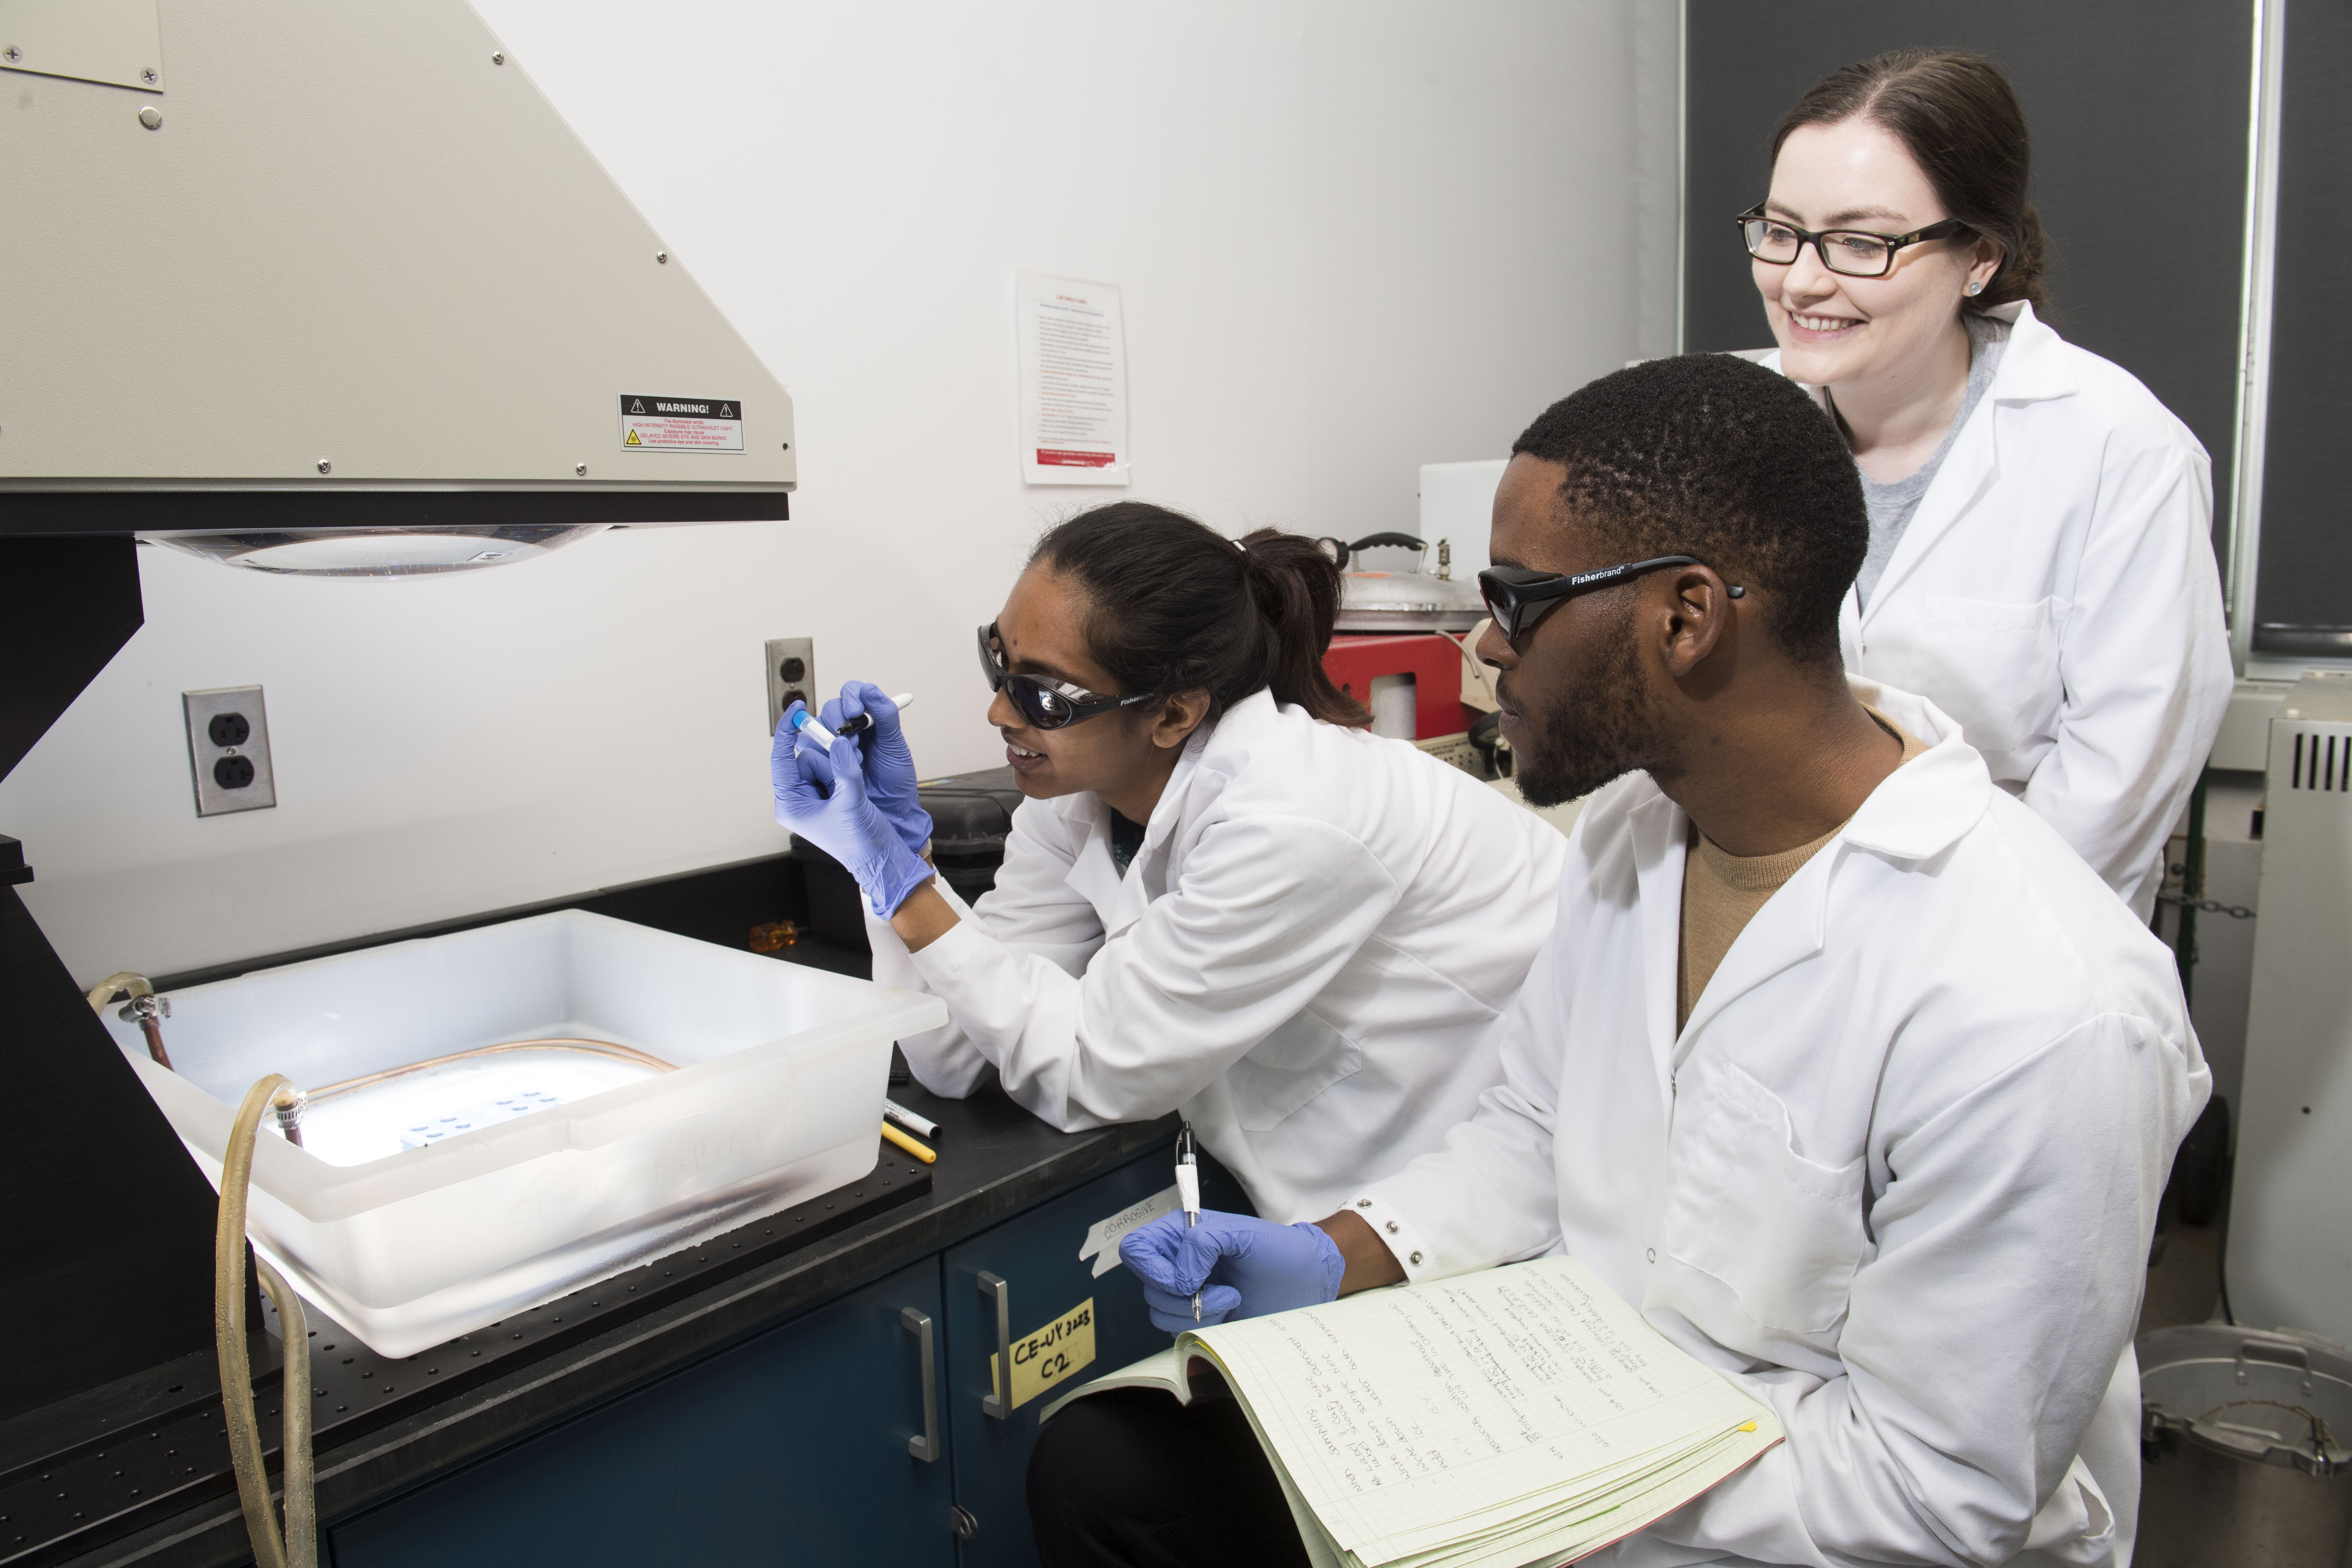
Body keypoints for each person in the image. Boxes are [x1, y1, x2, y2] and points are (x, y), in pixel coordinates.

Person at [1042, 356, 2208, 1567]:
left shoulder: (2042, 1010)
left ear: (1686, 618)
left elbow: (1934, 1492)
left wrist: (1546, 1466)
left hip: (1792, 1525)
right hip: (1584, 1424)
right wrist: (1340, 1253)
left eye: (1519, 600)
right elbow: (1535, 1126)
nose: (1487, 646)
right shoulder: (1635, 833)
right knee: (1119, 1472)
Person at [770, 502, 1566, 1223]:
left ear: (1174, 712)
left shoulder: (1293, 818)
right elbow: (949, 1054)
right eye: (998, 662)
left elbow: (1093, 1072)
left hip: (1499, 1176)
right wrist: (898, 853)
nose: (999, 712)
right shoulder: (1075, 799)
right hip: (1334, 1161)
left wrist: (904, 886)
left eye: (1044, 695)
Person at [1739, 48, 2230, 919]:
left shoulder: (2117, 447)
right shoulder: (1726, 422)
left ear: (1979, 258)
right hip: (1768, 904)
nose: (1803, 279)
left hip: (2011, 936)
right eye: (1782, 231)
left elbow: (2120, 776)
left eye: (1862, 242)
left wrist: (1954, 939)